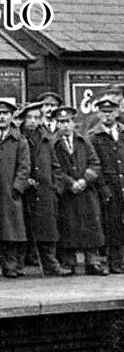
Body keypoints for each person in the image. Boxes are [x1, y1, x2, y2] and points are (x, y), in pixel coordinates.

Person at [51, 106, 108, 275]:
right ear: (57, 124)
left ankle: (92, 261)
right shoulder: (53, 144)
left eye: (68, 122)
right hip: (66, 193)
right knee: (67, 226)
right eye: (61, 122)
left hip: (86, 191)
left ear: (73, 122)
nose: (65, 126)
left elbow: (95, 163)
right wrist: (69, 183)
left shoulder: (83, 141)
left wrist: (85, 180)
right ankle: (69, 262)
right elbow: (54, 169)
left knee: (90, 225)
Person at [17, 101, 64, 276]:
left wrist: (56, 187)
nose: (33, 121)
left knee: (48, 228)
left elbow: (56, 165)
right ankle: (18, 264)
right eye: (29, 117)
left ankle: (50, 263)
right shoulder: (18, 137)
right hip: (23, 190)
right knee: (22, 229)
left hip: (45, 190)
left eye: (37, 117)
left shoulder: (47, 139)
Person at [0, 100, 31, 278]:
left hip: (11, 191)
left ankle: (11, 266)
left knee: (12, 230)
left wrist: (18, 187)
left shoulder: (19, 139)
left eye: (5, 114)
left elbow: (24, 167)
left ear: (11, 117)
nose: (1, 117)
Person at [89, 97, 124, 273]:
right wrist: (104, 189)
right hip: (109, 186)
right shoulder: (94, 137)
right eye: (104, 112)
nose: (107, 115)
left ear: (117, 113)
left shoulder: (122, 133)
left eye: (111, 112)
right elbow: (96, 165)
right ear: (98, 113)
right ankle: (115, 263)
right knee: (113, 225)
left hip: (122, 182)